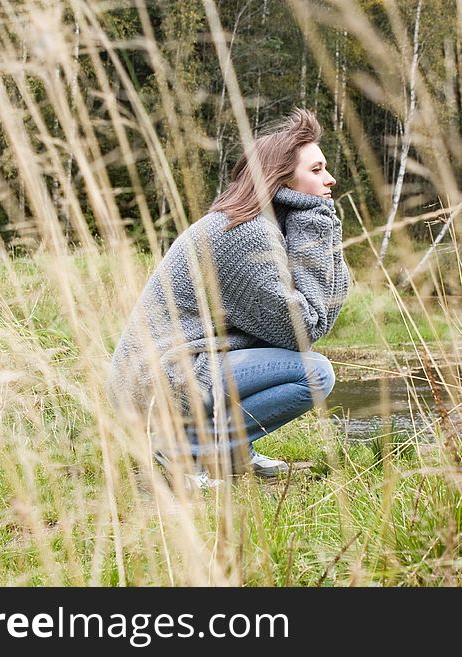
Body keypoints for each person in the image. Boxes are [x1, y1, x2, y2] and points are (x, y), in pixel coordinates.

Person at [108, 108, 350, 490]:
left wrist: (322, 229)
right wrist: (316, 222)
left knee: (310, 366)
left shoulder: (263, 224)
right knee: (315, 373)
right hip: (160, 379)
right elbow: (302, 329)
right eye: (317, 170)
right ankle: (182, 452)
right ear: (281, 178)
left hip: (182, 367)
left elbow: (322, 309)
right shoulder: (247, 235)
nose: (330, 179)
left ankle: (233, 453)